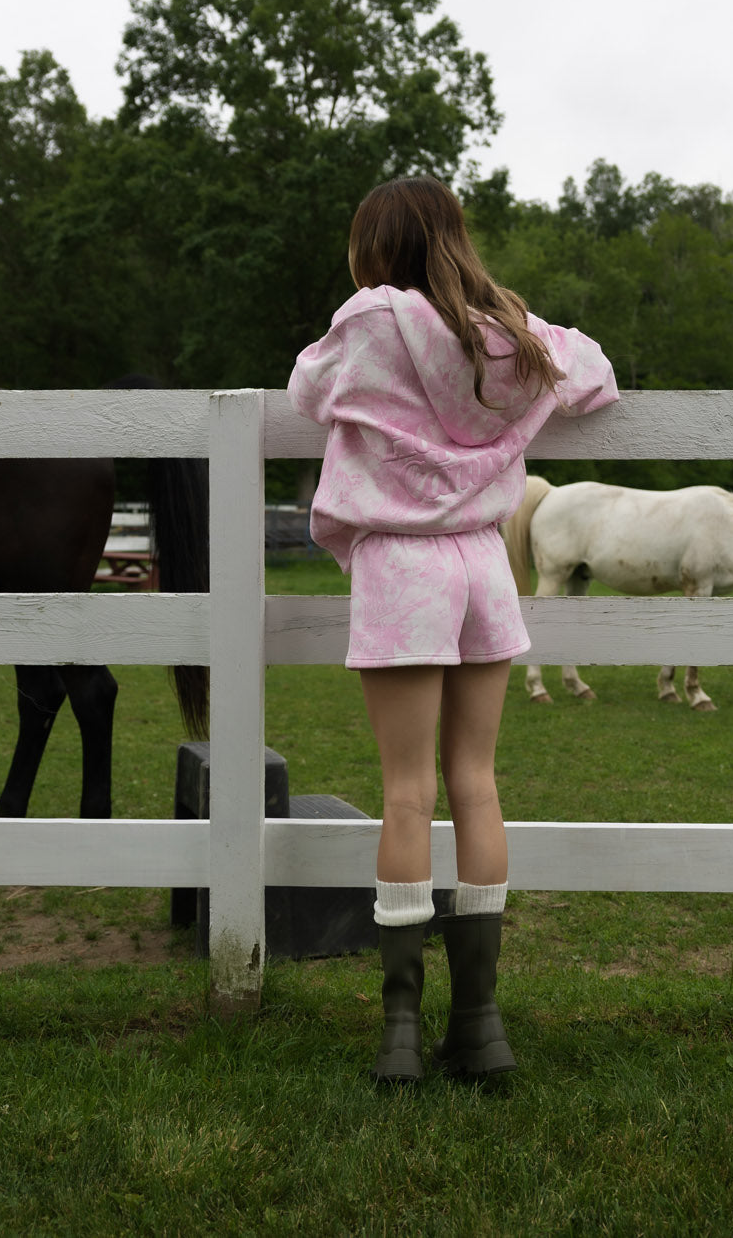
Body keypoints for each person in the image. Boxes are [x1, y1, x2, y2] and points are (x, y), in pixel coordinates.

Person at [288, 175, 618, 1081]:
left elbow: (306, 389)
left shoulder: (368, 320)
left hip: (403, 568)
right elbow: (594, 370)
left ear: (374, 247)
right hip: (482, 564)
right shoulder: (506, 333)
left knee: (407, 793)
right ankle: (479, 1026)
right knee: (477, 783)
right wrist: (513, 318)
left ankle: (400, 1032)